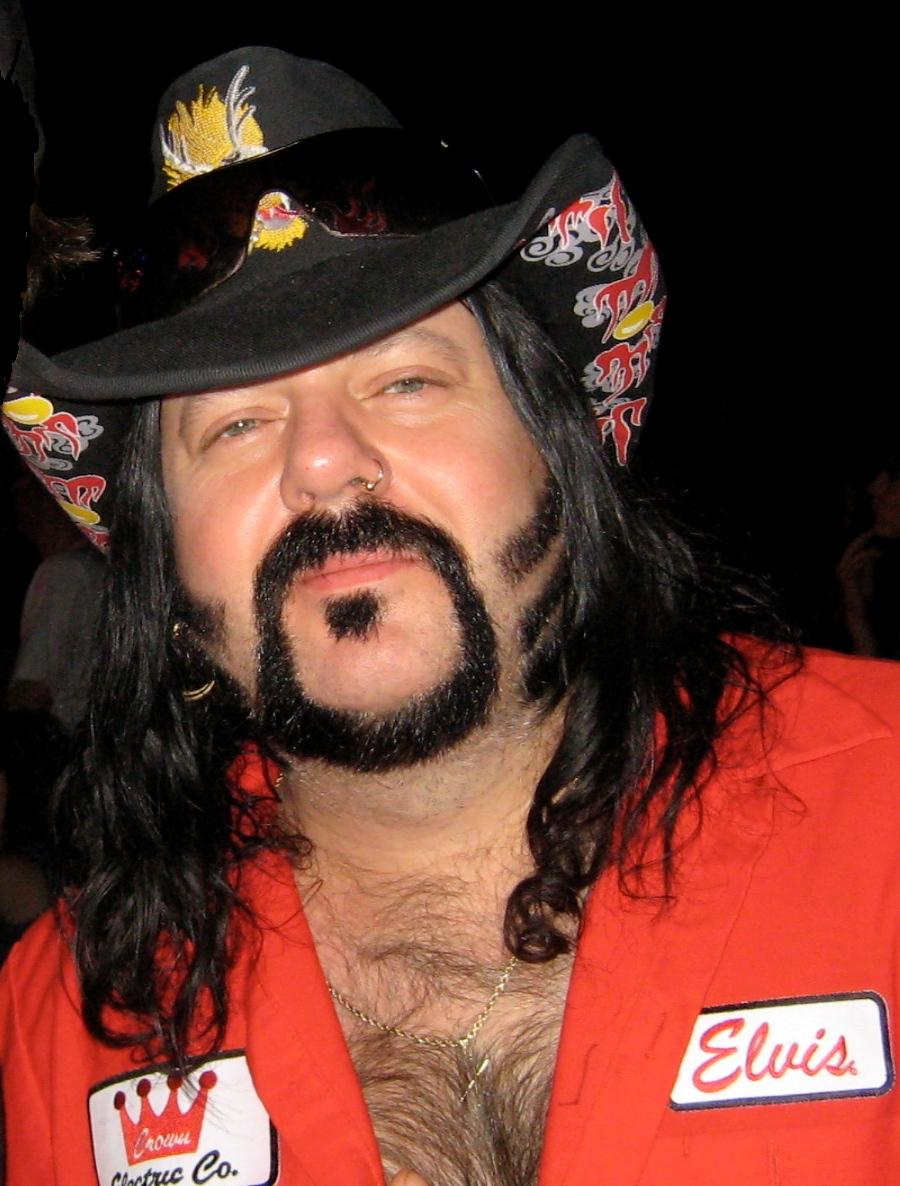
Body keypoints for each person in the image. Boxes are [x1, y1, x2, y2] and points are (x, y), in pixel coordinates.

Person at [1, 47, 898, 1186]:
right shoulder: (66, 1022)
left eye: (407, 382)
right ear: (167, 580)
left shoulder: (885, 809)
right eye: (233, 426)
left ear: (563, 463)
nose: (324, 462)